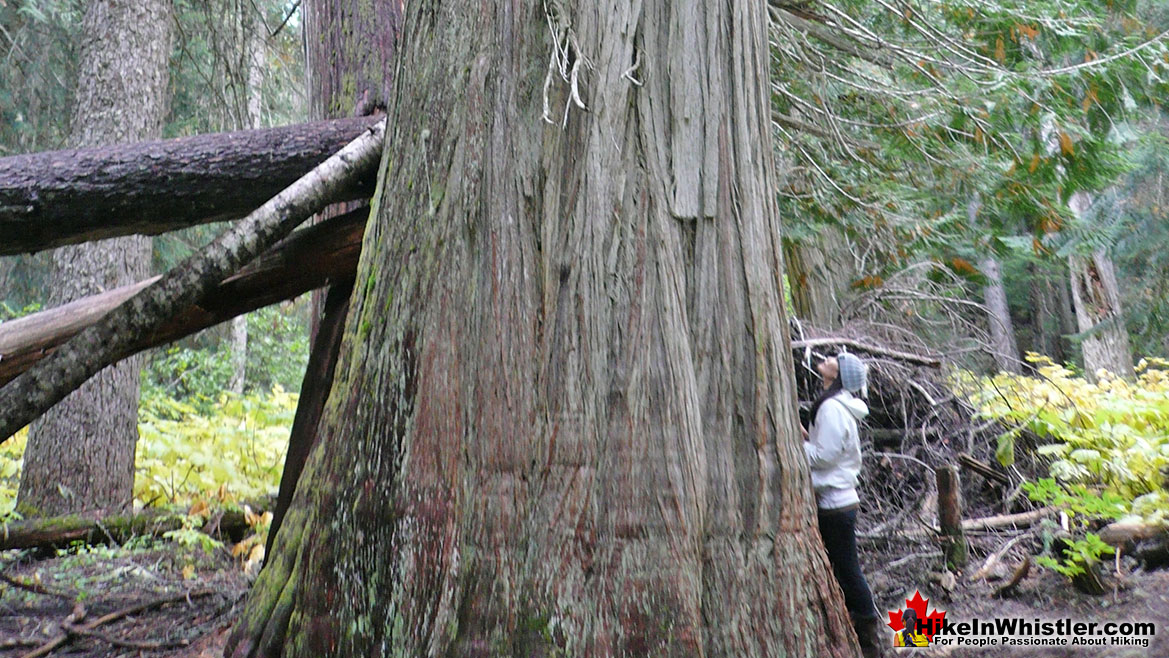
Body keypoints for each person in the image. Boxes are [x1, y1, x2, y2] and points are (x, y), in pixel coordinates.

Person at [804, 352, 883, 657]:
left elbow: (824, 456)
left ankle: (870, 638)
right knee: (843, 567)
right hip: (836, 500)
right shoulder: (835, 405)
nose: (825, 358)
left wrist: (793, 445)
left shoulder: (834, 409)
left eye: (833, 360)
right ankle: (858, 626)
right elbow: (824, 446)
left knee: (848, 569)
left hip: (835, 503)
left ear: (839, 376)